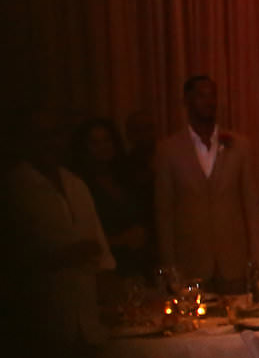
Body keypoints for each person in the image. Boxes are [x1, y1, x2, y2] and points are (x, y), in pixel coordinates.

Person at [10, 110, 115, 345]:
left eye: (56, 135)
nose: (51, 143)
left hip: (89, 324)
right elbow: (13, 261)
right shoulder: (14, 189)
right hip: (43, 323)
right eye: (42, 136)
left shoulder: (76, 185)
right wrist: (64, 256)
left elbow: (100, 250)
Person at [154, 74, 259, 291]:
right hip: (191, 262)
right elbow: (164, 211)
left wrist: (258, 258)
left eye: (213, 96)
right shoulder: (168, 150)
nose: (209, 102)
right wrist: (169, 265)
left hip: (235, 261)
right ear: (187, 101)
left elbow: (251, 204)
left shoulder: (239, 146)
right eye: (202, 96)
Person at [69, 117, 152, 279]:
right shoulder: (79, 185)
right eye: (95, 142)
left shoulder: (126, 177)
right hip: (105, 267)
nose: (103, 147)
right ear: (85, 148)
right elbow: (82, 235)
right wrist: (120, 240)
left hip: (138, 263)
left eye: (107, 140)